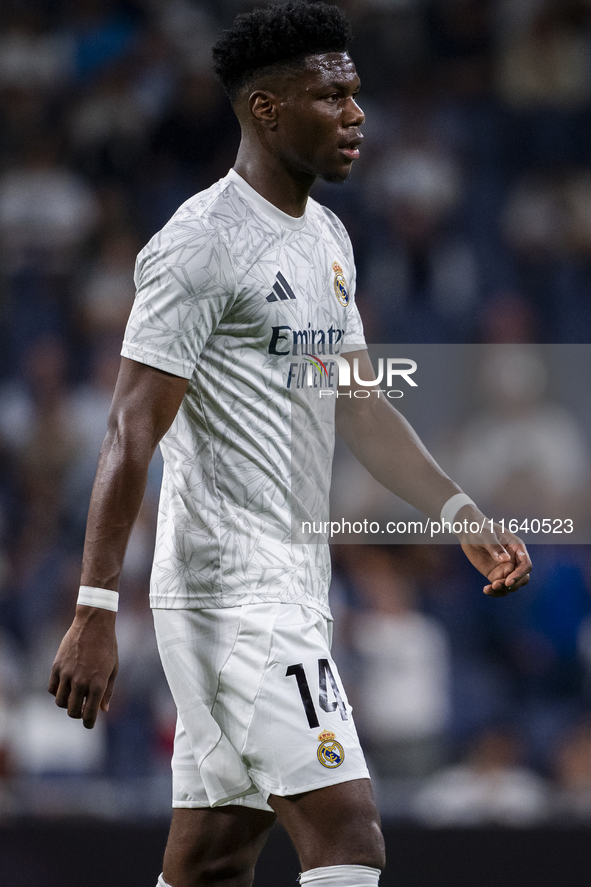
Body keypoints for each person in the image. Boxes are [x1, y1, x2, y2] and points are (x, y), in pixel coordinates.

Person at [48, 4, 532, 886]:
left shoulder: (328, 240)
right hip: (233, 592)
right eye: (332, 95)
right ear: (266, 110)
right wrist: (92, 608)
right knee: (349, 835)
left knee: (213, 857)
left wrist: (458, 511)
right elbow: (129, 427)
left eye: (356, 94)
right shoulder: (199, 243)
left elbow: (359, 408)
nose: (356, 114)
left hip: (286, 587)